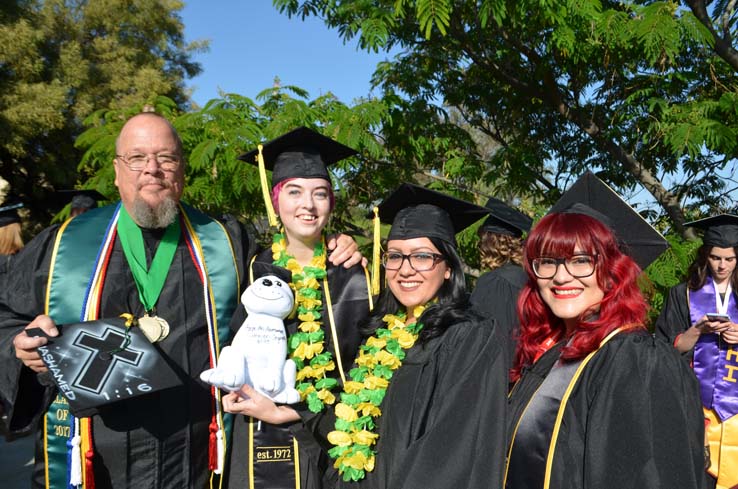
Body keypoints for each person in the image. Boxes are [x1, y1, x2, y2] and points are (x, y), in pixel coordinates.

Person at [0, 112, 361, 489]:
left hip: (196, 465)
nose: (152, 170)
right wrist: (19, 346)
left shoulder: (225, 241)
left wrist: (332, 248)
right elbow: (5, 313)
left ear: (182, 170)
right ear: (117, 170)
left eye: (166, 158)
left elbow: (288, 279)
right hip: (97, 463)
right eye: (137, 158)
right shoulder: (64, 245)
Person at [223, 183, 509, 489]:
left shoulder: (468, 337)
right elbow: (353, 434)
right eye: (396, 256)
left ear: (449, 268)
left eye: (423, 256)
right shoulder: (382, 334)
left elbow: (450, 457)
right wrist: (290, 414)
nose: (406, 269)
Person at [505, 174, 706, 489]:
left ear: (614, 271)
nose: (561, 277)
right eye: (548, 262)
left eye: (582, 260)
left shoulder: (637, 362)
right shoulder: (556, 355)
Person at [222, 127, 373, 489]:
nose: (308, 205)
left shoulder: (356, 274)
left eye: (320, 194)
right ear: (275, 200)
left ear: (331, 204)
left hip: (337, 437)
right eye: (294, 192)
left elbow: (370, 363)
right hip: (255, 434)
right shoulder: (250, 267)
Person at [655, 214, 738, 489]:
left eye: (729, 258)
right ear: (705, 255)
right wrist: (698, 330)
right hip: (696, 409)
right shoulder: (683, 294)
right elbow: (667, 349)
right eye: (716, 258)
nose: (722, 265)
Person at [470, 196, 532, 370]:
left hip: (496, 376)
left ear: (489, 242)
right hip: (523, 371)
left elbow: (484, 343)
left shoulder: (494, 282)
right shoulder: (528, 279)